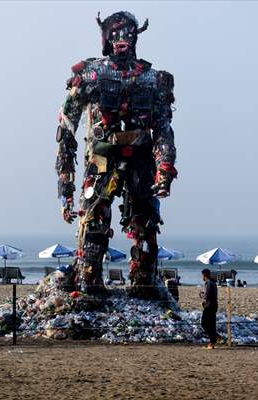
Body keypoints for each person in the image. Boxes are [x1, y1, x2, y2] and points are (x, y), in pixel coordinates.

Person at [54, 11, 178, 299]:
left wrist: (165, 166)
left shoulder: (153, 80)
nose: (121, 40)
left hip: (141, 160)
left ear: (136, 37)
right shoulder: (90, 75)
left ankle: (144, 284)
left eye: (127, 34)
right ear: (105, 37)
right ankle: (89, 280)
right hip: (101, 160)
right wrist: (66, 185)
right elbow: (66, 127)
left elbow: (162, 129)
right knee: (95, 220)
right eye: (115, 34)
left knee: (146, 224)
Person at [201, 269, 219, 349]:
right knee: (211, 324)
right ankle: (213, 340)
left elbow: (207, 295)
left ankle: (213, 339)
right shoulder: (213, 283)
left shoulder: (208, 283)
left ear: (204, 275)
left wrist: (201, 295)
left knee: (204, 323)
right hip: (213, 305)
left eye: (202, 275)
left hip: (209, 306)